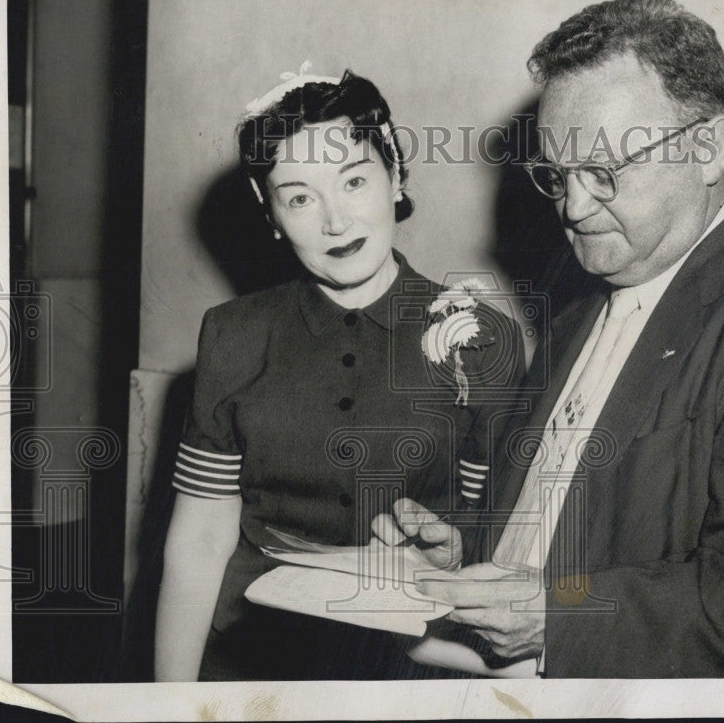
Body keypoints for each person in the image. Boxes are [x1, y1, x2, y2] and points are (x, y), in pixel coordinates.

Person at [373, 0, 724, 678]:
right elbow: (576, 513)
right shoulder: (578, 292)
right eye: (557, 175)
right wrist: (467, 551)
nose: (574, 208)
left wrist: (564, 617)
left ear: (707, 148)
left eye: (604, 172)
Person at [154, 65, 523, 681]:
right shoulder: (232, 334)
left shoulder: (481, 339)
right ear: (269, 211)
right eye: (299, 196)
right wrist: (168, 705)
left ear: (396, 174)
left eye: (354, 181)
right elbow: (196, 545)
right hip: (253, 657)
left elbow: (494, 535)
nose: (335, 221)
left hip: (412, 658)